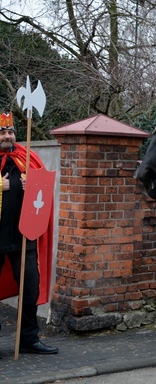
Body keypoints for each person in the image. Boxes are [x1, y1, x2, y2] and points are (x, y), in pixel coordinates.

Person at [0, 112, 58, 354]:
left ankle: (28, 339)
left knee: (30, 288)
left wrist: (32, 185)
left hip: (24, 237)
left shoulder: (28, 157)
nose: (7, 135)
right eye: (2, 132)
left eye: (10, 131)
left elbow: (44, 192)